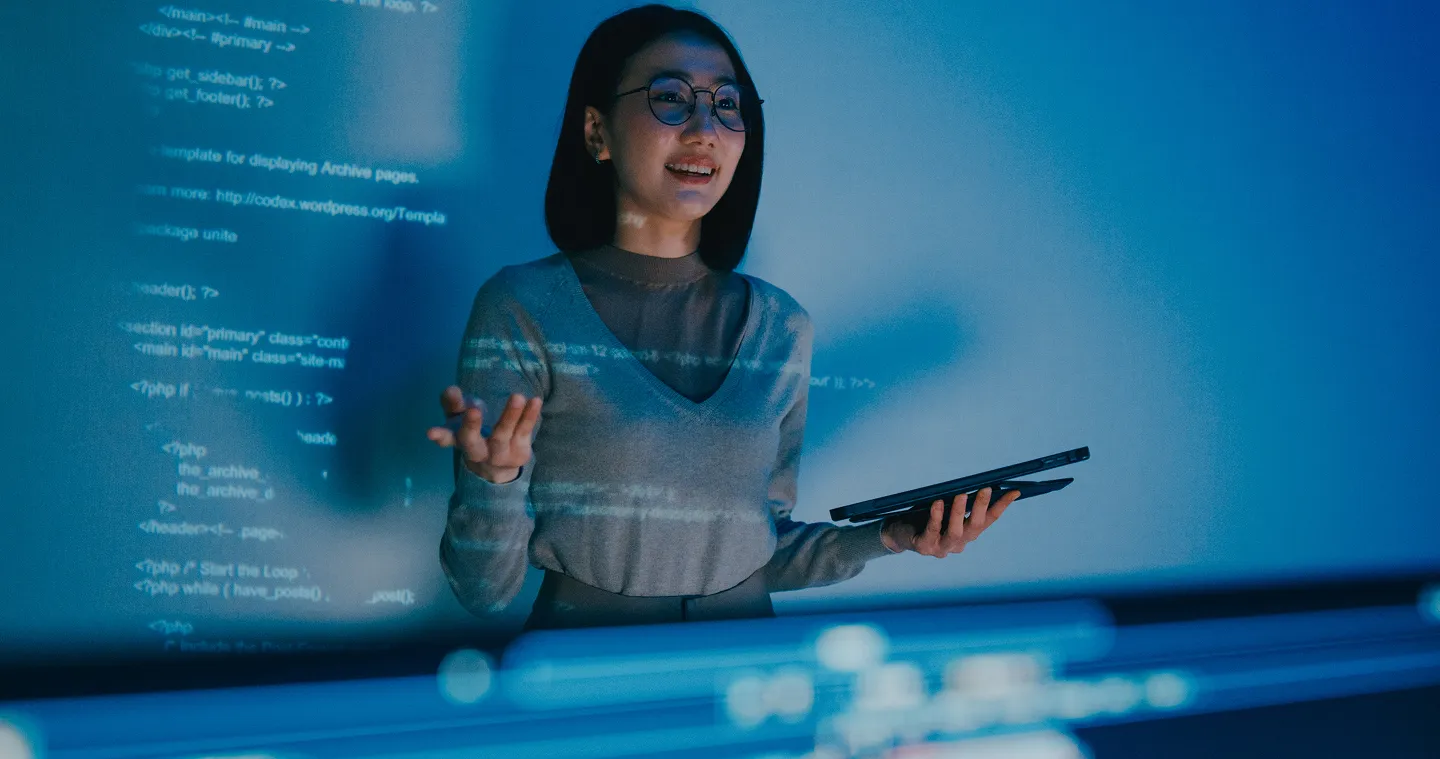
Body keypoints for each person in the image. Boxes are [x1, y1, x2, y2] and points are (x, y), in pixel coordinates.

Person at [425, 4, 1018, 630]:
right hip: (593, 665)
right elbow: (483, 590)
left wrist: (893, 535)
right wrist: (492, 479)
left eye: (727, 105)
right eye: (670, 98)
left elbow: (762, 551)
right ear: (597, 132)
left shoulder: (782, 326)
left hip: (746, 663)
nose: (705, 128)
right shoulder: (524, 307)